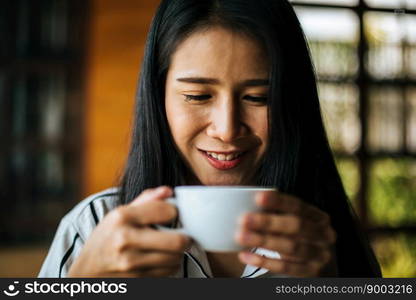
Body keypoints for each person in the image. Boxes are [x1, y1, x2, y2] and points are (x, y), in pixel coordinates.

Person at [39, 0, 381, 278]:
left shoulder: (322, 238)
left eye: (258, 98)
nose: (227, 129)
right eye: (198, 96)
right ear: (158, 99)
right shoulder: (93, 227)